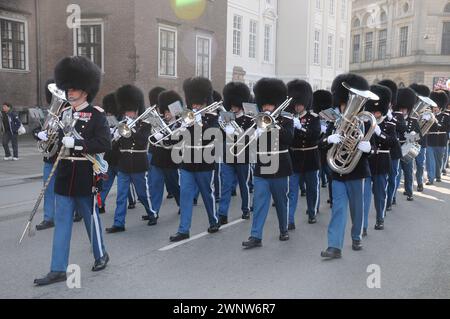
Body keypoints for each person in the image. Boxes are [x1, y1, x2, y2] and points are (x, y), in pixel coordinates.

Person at [34, 56, 111, 286]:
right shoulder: (63, 115)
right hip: (64, 174)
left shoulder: (97, 115)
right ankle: (57, 269)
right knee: (62, 222)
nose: (69, 92)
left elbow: (104, 144)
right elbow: (55, 146)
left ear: (85, 90)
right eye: (67, 87)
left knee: (90, 219)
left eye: (74, 88)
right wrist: (47, 139)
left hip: (85, 174)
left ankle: (101, 254)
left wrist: (77, 144)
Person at [320, 74, 374, 259]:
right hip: (338, 173)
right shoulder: (334, 122)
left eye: (348, 104)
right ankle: (334, 246)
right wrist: (329, 139)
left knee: (357, 209)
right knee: (338, 209)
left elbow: (372, 147)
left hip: (357, 172)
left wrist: (367, 147)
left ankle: (356, 235)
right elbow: (322, 144)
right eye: (344, 104)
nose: (345, 108)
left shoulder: (364, 123)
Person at [242, 78, 294, 249]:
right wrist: (256, 132)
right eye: (264, 105)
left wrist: (274, 126)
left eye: (270, 105)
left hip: (280, 165)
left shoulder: (286, 119)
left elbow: (289, 139)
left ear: (276, 104)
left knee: (281, 201)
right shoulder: (256, 120)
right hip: (262, 165)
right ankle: (255, 235)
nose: (266, 108)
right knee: (259, 201)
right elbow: (248, 143)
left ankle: (283, 229)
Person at [169, 77, 221, 242]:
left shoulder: (213, 117)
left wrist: (198, 124)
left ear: (205, 102)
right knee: (185, 195)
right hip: (187, 160)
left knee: (207, 193)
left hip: (205, 160)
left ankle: (214, 220)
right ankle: (183, 229)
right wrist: (178, 128)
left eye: (199, 104)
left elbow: (212, 137)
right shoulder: (186, 116)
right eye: (194, 103)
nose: (196, 106)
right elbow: (177, 139)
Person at [106, 85, 157, 233]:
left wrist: (131, 128)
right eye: (126, 111)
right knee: (121, 196)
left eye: (130, 111)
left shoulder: (146, 123)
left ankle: (151, 213)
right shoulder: (121, 124)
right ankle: (119, 223)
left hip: (139, 164)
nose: (128, 114)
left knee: (142, 194)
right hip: (124, 164)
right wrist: (114, 138)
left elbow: (142, 140)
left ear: (136, 110)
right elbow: (114, 146)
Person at [287, 80, 321, 229]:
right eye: (295, 103)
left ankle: (312, 212)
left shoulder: (314, 118)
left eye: (300, 103)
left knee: (312, 189)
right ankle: (290, 219)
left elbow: (315, 136)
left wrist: (300, 128)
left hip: (310, 158)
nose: (297, 106)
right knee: (292, 191)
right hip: (295, 158)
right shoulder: (290, 118)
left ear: (305, 102)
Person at [218, 82, 253, 225]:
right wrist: (223, 128)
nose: (233, 107)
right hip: (228, 155)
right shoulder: (226, 117)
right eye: (231, 104)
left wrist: (238, 133)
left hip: (243, 156)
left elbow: (249, 137)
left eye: (235, 104)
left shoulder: (249, 119)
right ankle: (222, 213)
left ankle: (245, 208)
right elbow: (220, 136)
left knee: (243, 185)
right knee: (225, 185)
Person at [363, 85, 397, 234]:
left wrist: (379, 133)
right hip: (367, 161)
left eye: (378, 111)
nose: (375, 113)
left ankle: (380, 218)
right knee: (364, 196)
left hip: (382, 161)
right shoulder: (366, 122)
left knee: (379, 194)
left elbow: (392, 142)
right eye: (373, 110)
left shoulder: (389, 123)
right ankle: (363, 224)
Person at [147, 90, 182, 217]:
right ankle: (154, 212)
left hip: (171, 160)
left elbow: (179, 138)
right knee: (156, 186)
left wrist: (166, 136)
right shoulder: (158, 121)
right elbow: (151, 135)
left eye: (169, 111)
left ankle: (181, 204)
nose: (167, 114)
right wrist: (156, 134)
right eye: (165, 111)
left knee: (174, 186)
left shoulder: (180, 123)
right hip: (158, 158)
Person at [396, 88, 421, 201]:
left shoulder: (413, 120)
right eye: (401, 108)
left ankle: (409, 192)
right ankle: (393, 196)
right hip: (396, 148)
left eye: (405, 108)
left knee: (408, 172)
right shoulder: (395, 118)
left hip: (407, 147)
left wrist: (413, 136)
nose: (403, 110)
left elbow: (420, 136)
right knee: (395, 174)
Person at [314, 90, 334, 207]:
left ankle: (332, 198)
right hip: (317, 150)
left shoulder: (331, 116)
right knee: (317, 178)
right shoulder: (315, 117)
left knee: (331, 176)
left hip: (328, 150)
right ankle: (315, 207)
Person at [426, 91, 450, 185]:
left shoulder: (446, 116)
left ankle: (438, 175)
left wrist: (436, 122)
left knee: (438, 160)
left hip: (441, 140)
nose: (434, 109)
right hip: (430, 139)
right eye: (433, 107)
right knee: (430, 160)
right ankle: (430, 178)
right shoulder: (429, 116)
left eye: (436, 107)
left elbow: (446, 128)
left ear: (440, 107)